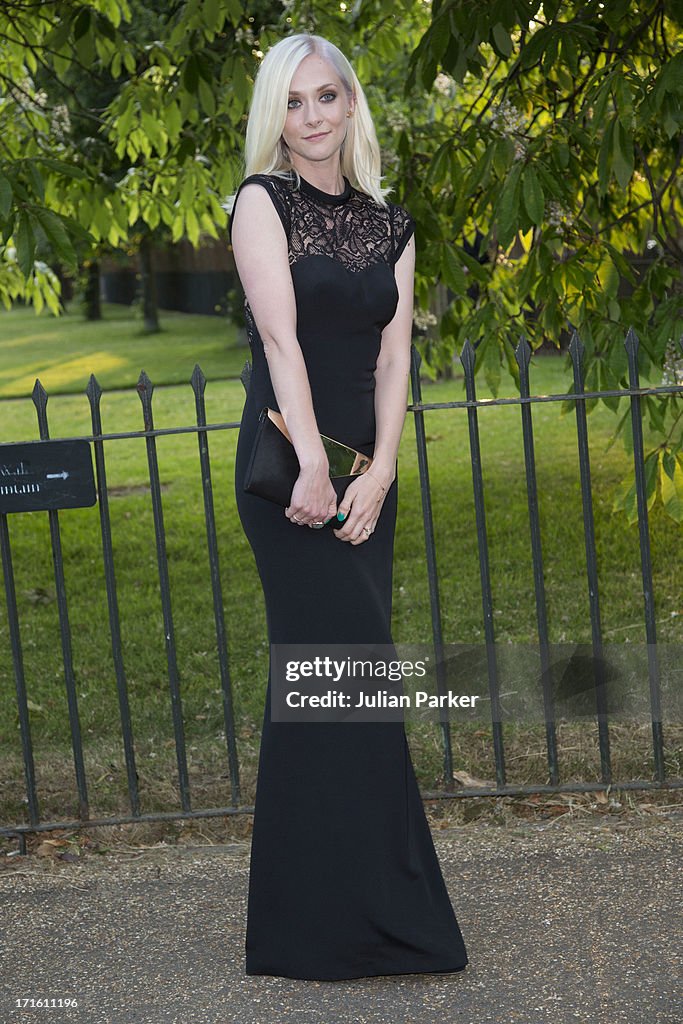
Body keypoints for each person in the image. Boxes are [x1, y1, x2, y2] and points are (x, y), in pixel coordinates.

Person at [227, 32, 469, 982]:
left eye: (329, 97)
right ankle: (319, 930)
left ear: (353, 106)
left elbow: (395, 360)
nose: (315, 116)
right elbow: (281, 344)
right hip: (291, 474)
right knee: (330, 682)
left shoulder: (389, 224)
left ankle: (359, 916)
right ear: (275, 116)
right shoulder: (261, 204)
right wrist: (316, 474)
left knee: (350, 688)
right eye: (296, 101)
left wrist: (378, 474)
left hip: (365, 481)